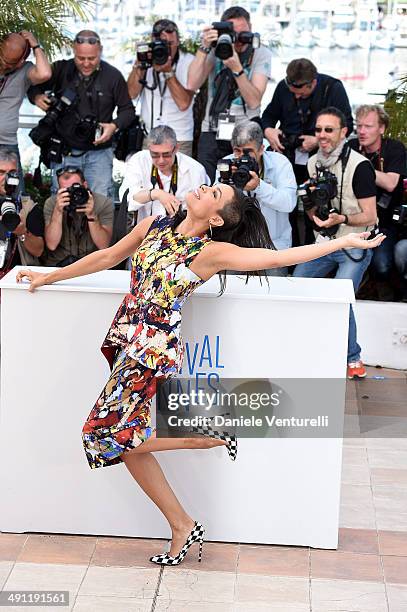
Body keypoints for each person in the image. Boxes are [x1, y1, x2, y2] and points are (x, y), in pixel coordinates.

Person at [17, 181, 384, 566]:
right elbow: (107, 256)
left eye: (214, 194)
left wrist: (342, 243)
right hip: (128, 338)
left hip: (151, 352)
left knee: (100, 434)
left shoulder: (210, 252)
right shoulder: (154, 225)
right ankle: (181, 524)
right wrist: (47, 277)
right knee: (127, 447)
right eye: (209, 185)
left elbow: (279, 258)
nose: (204, 188)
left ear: (215, 217)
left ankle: (201, 436)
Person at [293, 107, 378, 380]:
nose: (322, 135)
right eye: (318, 130)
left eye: (329, 130)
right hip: (325, 240)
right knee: (296, 286)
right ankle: (302, 350)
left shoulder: (360, 166)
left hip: (356, 242)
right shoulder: (311, 163)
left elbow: (371, 215)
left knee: (341, 298)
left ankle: (353, 358)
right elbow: (311, 203)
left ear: (344, 132)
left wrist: (341, 219)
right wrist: (315, 217)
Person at [28, 30, 135, 198]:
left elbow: (128, 110)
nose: (86, 63)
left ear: (100, 50)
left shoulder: (113, 76)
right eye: (81, 58)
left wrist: (113, 126)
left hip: (99, 152)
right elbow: (33, 86)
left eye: (91, 58)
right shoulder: (61, 69)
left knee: (100, 201)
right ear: (73, 51)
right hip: (65, 150)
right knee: (63, 201)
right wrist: (37, 97)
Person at [261, 58, 353, 245]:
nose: (296, 97)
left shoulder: (332, 88)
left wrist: (318, 140)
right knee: (287, 208)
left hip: (321, 159)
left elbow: (347, 126)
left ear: (313, 83)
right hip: (288, 156)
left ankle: (317, 250)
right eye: (293, 94)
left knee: (318, 206)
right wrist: (269, 131)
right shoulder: (283, 88)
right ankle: (290, 250)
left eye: (301, 94)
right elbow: (269, 116)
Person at [187, 6, 272, 182]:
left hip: (246, 130)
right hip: (212, 128)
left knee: (244, 187)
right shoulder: (215, 48)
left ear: (251, 29)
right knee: (207, 185)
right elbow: (191, 83)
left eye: (244, 33)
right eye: (235, 33)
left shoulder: (260, 53)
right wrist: (204, 48)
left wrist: (237, 69)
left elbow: (254, 101)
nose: (240, 39)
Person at [216, 120, 296, 274]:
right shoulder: (226, 165)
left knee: (274, 295)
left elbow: (289, 203)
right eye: (237, 151)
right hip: (236, 248)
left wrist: (259, 187)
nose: (241, 157)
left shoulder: (280, 163)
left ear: (261, 149)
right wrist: (229, 186)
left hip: (274, 248)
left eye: (248, 152)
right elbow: (217, 211)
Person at [350, 104, 407, 300]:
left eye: (368, 126)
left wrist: (359, 168)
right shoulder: (351, 147)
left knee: (382, 266)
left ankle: (392, 294)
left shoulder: (394, 148)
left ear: (381, 128)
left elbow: (391, 183)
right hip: (353, 219)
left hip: (384, 221)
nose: (362, 131)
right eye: (359, 126)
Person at [127, 19, 195, 156]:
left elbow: (183, 103)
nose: (167, 49)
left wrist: (168, 72)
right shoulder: (146, 60)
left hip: (179, 138)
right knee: (149, 177)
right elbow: (131, 94)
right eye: (162, 44)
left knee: (180, 177)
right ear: (153, 41)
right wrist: (139, 65)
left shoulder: (189, 62)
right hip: (150, 137)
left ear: (178, 41)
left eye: (170, 43)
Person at [119, 125, 209, 223]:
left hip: (181, 231)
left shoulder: (195, 170)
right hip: (145, 231)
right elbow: (127, 197)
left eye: (166, 154)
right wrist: (157, 194)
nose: (161, 160)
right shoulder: (139, 160)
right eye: (155, 155)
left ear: (176, 148)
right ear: (148, 149)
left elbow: (203, 209)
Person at [0, 31, 52, 183]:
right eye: (2, 58)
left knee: (15, 193)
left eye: (10, 62)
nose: (4, 64)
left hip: (7, 143)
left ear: (21, 60)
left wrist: (35, 45)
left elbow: (45, 74)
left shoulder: (24, 71)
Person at [42, 167, 113, 267]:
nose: (73, 194)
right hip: (59, 264)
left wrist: (92, 215)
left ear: (85, 185)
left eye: (76, 187)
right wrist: (57, 211)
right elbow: (51, 245)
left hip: (92, 265)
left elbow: (103, 245)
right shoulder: (52, 203)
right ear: (59, 190)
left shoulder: (103, 203)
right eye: (67, 190)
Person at [0, 149, 44, 275]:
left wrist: (22, 232)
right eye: (1, 172)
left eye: (12, 172)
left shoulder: (28, 206)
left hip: (18, 277)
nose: (7, 178)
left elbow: (38, 251)